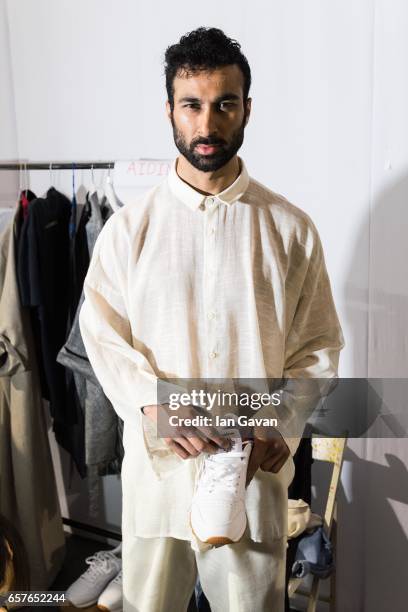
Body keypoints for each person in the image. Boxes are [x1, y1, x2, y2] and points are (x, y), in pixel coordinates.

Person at [79, 27, 344, 612]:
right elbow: (101, 333)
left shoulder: (290, 229)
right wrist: (153, 404)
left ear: (246, 108)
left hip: (253, 476)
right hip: (160, 475)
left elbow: (320, 346)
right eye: (192, 105)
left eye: (224, 104)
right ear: (169, 109)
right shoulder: (128, 230)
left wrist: (284, 420)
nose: (207, 125)